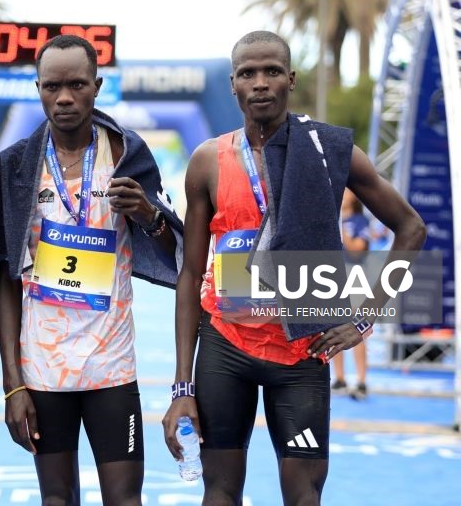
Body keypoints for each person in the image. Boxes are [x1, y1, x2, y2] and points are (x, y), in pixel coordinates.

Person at [162, 31, 426, 506]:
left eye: (271, 72)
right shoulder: (208, 162)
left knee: (304, 496)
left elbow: (411, 229)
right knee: (219, 491)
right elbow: (189, 274)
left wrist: (364, 318)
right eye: (248, 73)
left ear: (291, 79)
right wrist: (183, 383)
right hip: (226, 347)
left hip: (302, 353)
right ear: (233, 85)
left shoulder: (329, 153)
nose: (260, 83)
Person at [0, 35, 183, 505]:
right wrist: (12, 382)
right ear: (37, 88)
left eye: (77, 84)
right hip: (42, 370)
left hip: (111, 366)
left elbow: (173, 248)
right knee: (57, 499)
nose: (64, 97)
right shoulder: (16, 165)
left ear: (97, 86)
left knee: (125, 500)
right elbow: (4, 278)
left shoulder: (125, 152)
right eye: (52, 86)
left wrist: (149, 215)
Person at [332, 188, 371, 399]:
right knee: (333, 325)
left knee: (358, 327)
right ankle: (339, 379)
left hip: (355, 274)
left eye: (347, 191)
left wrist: (342, 231)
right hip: (332, 276)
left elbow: (358, 248)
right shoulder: (330, 215)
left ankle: (362, 380)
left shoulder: (358, 220)